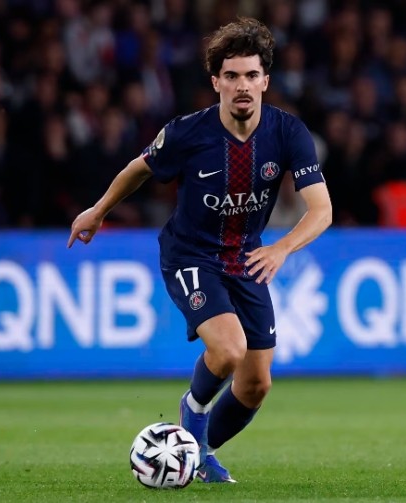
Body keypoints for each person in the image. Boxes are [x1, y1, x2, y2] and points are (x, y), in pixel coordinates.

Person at [67, 17, 332, 483]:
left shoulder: (288, 133)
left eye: (251, 75)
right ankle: (191, 419)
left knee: (256, 384)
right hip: (190, 255)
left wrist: (282, 249)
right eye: (231, 76)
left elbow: (322, 210)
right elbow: (140, 168)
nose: (242, 85)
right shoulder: (188, 133)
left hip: (248, 257)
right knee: (228, 350)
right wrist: (99, 209)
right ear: (216, 83)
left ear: (265, 81)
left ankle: (198, 452)